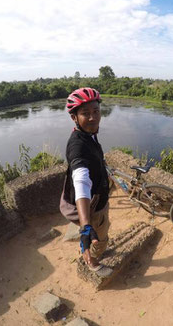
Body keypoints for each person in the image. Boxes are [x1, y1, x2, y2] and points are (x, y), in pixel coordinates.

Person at [62, 87, 112, 277]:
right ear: (74, 117)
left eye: (96, 111)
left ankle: (89, 248)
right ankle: (92, 261)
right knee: (99, 236)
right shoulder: (78, 146)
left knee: (97, 232)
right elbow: (81, 179)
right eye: (85, 113)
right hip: (93, 206)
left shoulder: (88, 134)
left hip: (95, 198)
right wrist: (86, 225)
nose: (93, 118)